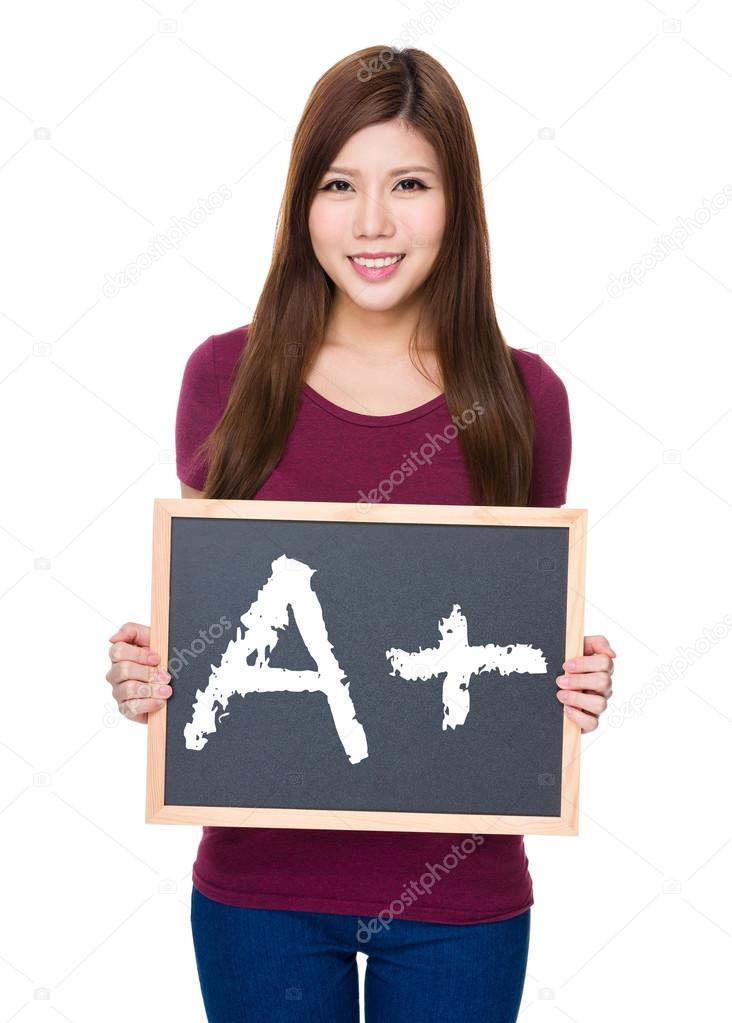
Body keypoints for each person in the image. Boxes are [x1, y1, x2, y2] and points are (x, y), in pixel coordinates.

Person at [105, 45, 615, 1023]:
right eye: (341, 184)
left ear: (456, 203)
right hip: (262, 891)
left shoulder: (521, 399)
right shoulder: (225, 378)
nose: (373, 222)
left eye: (410, 185)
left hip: (462, 896)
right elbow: (210, 615)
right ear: (304, 203)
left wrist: (575, 681)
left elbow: (527, 627)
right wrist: (150, 672)